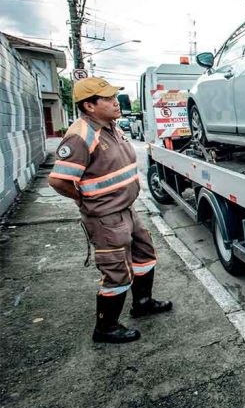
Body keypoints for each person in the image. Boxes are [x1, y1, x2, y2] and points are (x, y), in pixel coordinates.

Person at [48, 77, 172, 344]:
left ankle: (142, 303)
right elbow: (58, 180)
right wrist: (85, 199)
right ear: (89, 106)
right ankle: (106, 328)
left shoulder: (111, 126)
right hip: (105, 216)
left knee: (144, 255)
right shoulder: (81, 135)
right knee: (116, 270)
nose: (116, 102)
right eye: (108, 98)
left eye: (115, 97)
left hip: (126, 209)